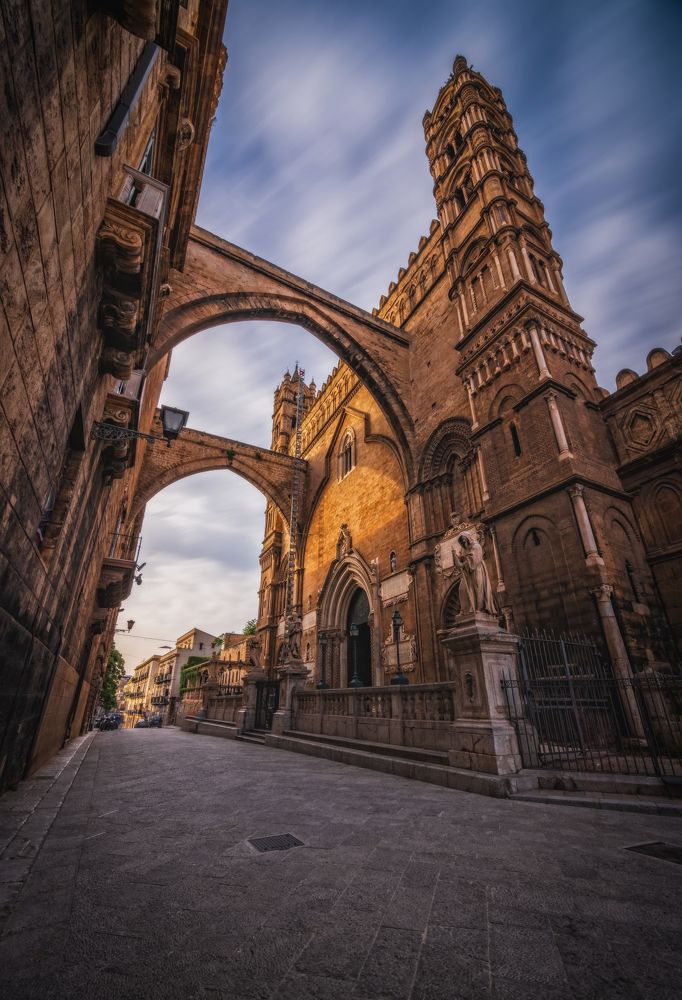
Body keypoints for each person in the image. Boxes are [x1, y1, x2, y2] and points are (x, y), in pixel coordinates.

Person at [455, 530, 497, 615]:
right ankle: (465, 609)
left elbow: (474, 558)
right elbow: (461, 560)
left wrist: (464, 562)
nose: (463, 541)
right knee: (462, 589)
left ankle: (478, 608)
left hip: (477, 570)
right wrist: (456, 556)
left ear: (468, 538)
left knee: (478, 588)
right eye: (461, 540)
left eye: (464, 539)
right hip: (467, 573)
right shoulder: (463, 549)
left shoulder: (476, 545)